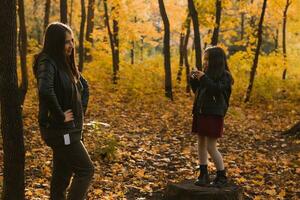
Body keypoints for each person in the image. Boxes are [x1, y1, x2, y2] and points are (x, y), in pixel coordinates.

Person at [33, 22, 94, 200]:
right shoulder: (47, 61)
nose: (71, 46)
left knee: (61, 177)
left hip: (69, 129)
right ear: (56, 42)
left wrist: (79, 113)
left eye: (72, 41)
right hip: (60, 131)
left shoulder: (64, 63)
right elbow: (45, 90)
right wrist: (61, 116)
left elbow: (84, 87)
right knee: (86, 170)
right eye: (67, 42)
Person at [190, 46, 233, 186]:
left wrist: (203, 77)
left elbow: (216, 89)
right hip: (201, 112)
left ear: (216, 60)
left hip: (214, 114)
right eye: (204, 58)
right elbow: (197, 91)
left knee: (211, 146)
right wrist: (194, 79)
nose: (205, 61)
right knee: (200, 143)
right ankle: (203, 175)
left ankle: (222, 176)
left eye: (207, 59)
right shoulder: (206, 74)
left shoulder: (225, 76)